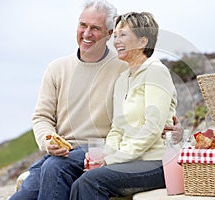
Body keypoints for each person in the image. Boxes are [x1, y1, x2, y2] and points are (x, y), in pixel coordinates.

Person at [10, 1, 182, 200]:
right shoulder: (60, 69)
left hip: (102, 148)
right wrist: (49, 141)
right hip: (67, 152)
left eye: (95, 28)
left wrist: (176, 129)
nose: (86, 33)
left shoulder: (129, 67)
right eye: (83, 25)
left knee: (63, 170)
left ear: (107, 34)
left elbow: (157, 117)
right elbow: (42, 117)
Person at [69, 11, 177, 200]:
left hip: (155, 162)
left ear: (143, 42)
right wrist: (106, 156)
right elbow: (117, 129)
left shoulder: (156, 72)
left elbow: (152, 129)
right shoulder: (121, 80)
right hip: (129, 161)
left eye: (123, 35)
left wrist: (111, 160)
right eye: (116, 36)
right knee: (81, 178)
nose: (116, 41)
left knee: (90, 182)